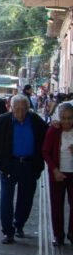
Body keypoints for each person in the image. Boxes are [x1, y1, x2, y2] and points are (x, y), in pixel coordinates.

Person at [0, 94, 47, 244]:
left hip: (30, 165)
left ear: (28, 108)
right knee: (6, 198)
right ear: (11, 108)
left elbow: (48, 134)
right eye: (17, 109)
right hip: (8, 164)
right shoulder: (3, 120)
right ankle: (8, 231)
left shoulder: (35, 120)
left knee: (26, 198)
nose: (20, 113)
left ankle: (19, 224)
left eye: (23, 109)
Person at [42, 103, 73, 246]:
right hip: (57, 173)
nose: (66, 121)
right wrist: (54, 170)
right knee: (56, 204)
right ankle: (58, 234)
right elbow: (45, 152)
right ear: (59, 118)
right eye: (64, 118)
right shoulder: (54, 130)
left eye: (70, 118)